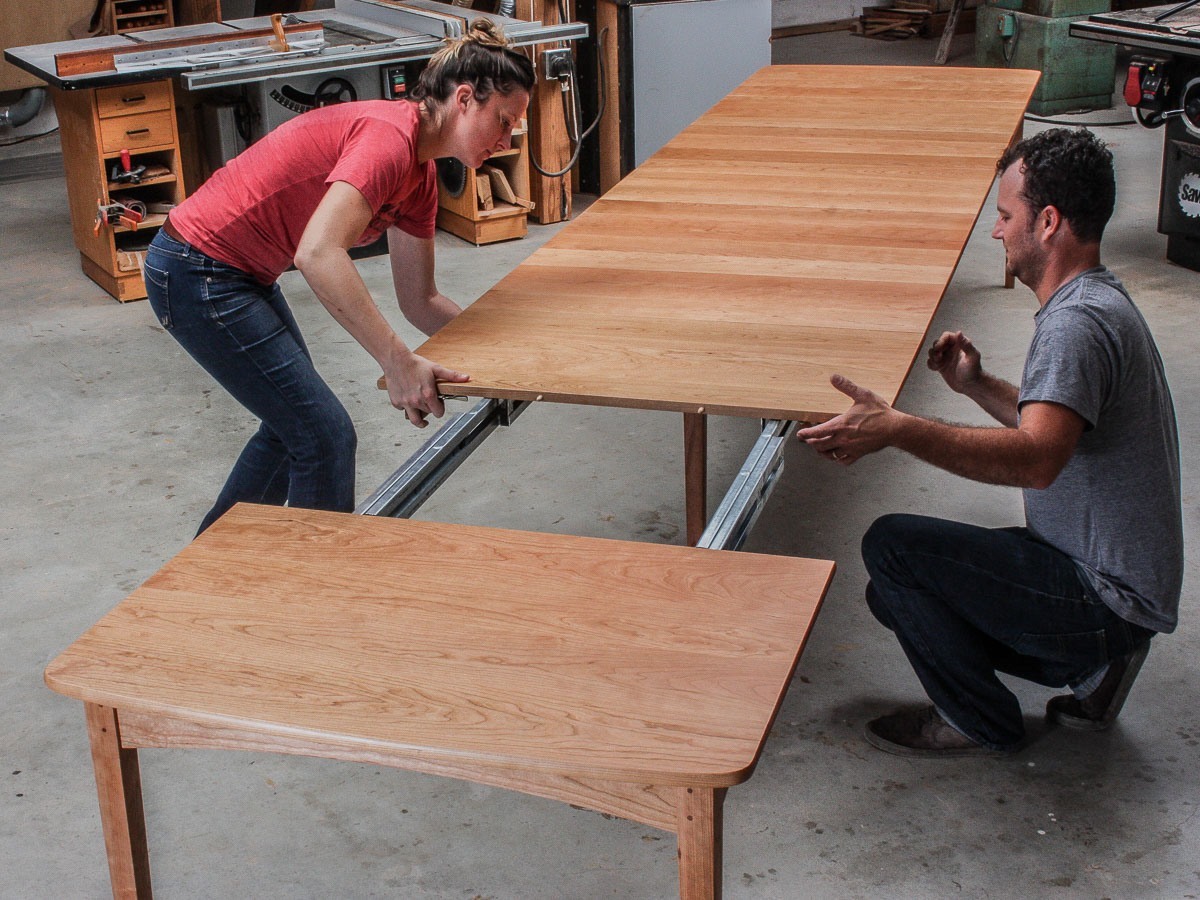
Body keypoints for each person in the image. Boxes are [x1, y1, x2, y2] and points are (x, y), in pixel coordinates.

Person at [795, 128, 1183, 757]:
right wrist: (974, 385)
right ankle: (1099, 674)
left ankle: (980, 719)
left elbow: (1036, 460)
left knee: (891, 549)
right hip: (1114, 589)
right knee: (893, 592)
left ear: (1048, 221)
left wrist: (897, 429)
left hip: (1103, 598)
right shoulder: (1097, 301)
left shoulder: (1076, 327)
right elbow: (1054, 426)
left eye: (1006, 216)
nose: (996, 233)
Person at [143, 20, 534, 534]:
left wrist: (509, 356)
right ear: (464, 99)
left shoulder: (419, 178)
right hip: (196, 267)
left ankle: (209, 565)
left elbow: (421, 300)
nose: (506, 141)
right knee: (323, 435)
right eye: (503, 122)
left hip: (237, 273)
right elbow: (318, 252)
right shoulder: (389, 139)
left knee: (292, 429)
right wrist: (397, 362)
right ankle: (318, 598)